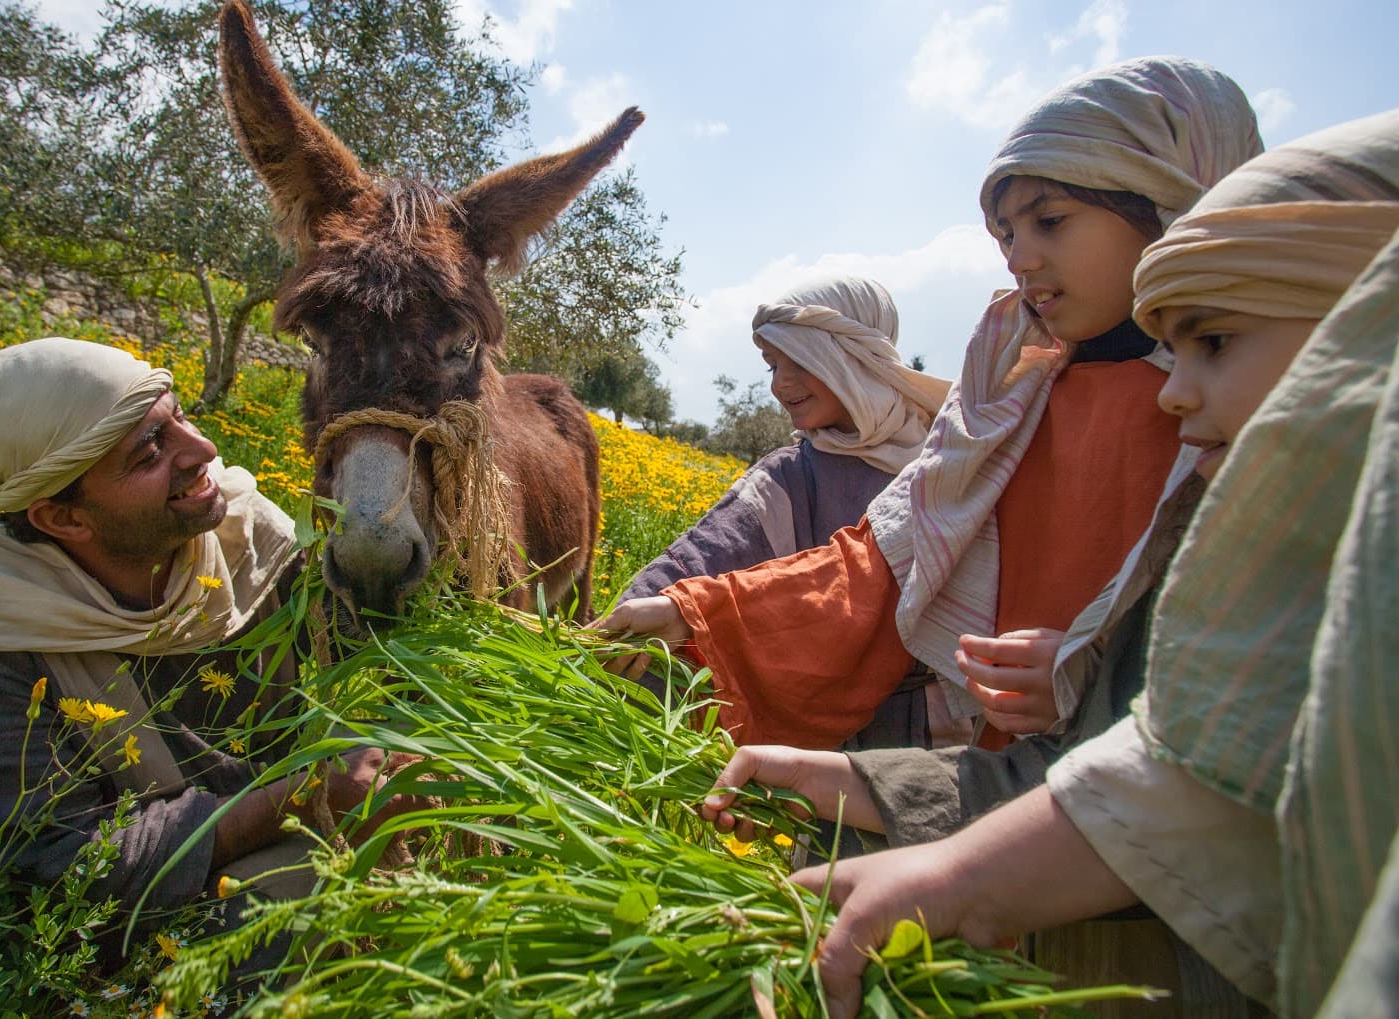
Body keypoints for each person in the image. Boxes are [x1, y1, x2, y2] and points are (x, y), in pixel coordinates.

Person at [761, 109, 1399, 1019]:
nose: (1177, 389)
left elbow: (1180, 781)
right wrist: (867, 785)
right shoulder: (1000, 405)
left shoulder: (1214, 490)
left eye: (1210, 340)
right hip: (1031, 846)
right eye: (1006, 232)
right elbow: (1160, 765)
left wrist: (951, 865)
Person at [595, 56, 1262, 767]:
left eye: (1050, 221)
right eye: (1006, 234)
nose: (1020, 258)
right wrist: (686, 611)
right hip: (986, 791)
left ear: (1175, 199)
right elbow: (879, 569)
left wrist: (1095, 675)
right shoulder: (1005, 404)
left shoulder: (1258, 409)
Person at [0, 338, 405, 945]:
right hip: (94, 939)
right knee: (299, 916)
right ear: (63, 519)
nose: (204, 451)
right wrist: (302, 798)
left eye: (179, 417)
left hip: (266, 840)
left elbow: (375, 640)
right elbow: (53, 869)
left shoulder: (241, 533)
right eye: (150, 451)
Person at [616, 274, 953, 745]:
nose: (781, 384)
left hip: (945, 741)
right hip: (822, 749)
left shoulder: (952, 462)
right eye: (772, 365)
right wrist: (604, 637)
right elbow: (700, 557)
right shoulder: (791, 478)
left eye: (800, 361)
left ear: (851, 359)